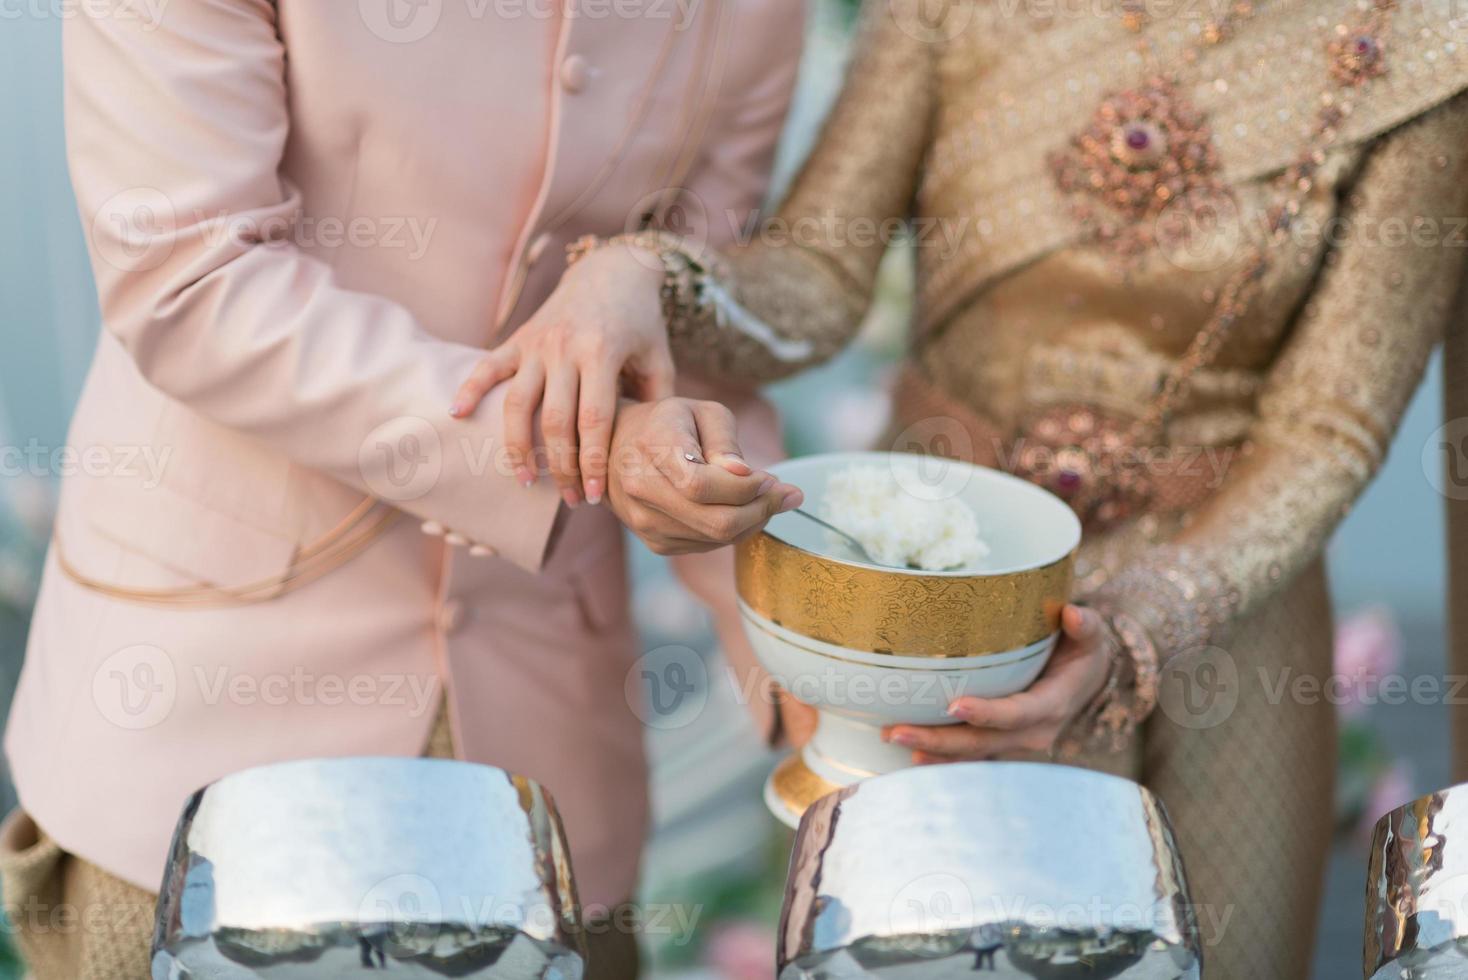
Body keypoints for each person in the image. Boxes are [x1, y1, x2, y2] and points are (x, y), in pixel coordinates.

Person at [453, 0, 1468, 973]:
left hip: (1223, 620)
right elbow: (813, 281)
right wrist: (646, 277)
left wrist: (1141, 624)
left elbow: (1324, 432)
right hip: (934, 602)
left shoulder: (1422, 51)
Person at [0, 2, 806, 977]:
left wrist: (817, 666)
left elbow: (693, 330)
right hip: (195, 721)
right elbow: (189, 278)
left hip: (548, 753)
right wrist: (570, 449)